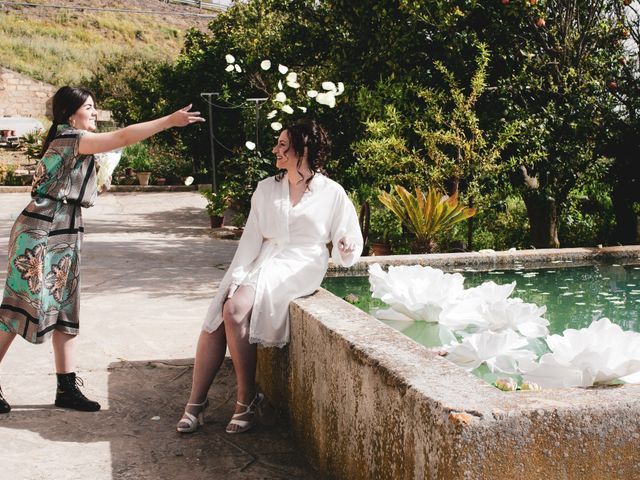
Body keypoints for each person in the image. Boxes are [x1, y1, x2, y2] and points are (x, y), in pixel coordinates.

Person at [0, 86, 204, 413]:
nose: (94, 112)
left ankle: (66, 388)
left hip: (63, 229)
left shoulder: (75, 142)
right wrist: (169, 120)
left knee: (65, 306)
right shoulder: (71, 138)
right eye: (89, 107)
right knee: (18, 308)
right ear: (70, 115)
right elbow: (123, 136)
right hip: (41, 230)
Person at [176, 119, 363, 434]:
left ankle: (245, 397)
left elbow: (349, 238)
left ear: (302, 149)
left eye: (282, 145)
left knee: (234, 310)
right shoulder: (266, 188)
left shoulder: (332, 193)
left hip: (303, 263)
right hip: (263, 258)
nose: (275, 150)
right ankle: (198, 402)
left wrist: (345, 245)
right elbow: (251, 238)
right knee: (220, 313)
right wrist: (237, 276)